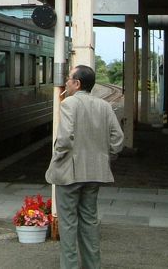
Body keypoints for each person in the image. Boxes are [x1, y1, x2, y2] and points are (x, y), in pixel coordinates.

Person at [45, 64, 124, 269]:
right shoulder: (104, 106)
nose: (66, 82)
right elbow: (118, 139)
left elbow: (64, 139)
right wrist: (106, 156)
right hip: (95, 172)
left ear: (77, 83)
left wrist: (58, 157)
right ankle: (92, 265)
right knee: (89, 221)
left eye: (69, 78)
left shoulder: (69, 104)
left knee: (68, 224)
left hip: (70, 172)